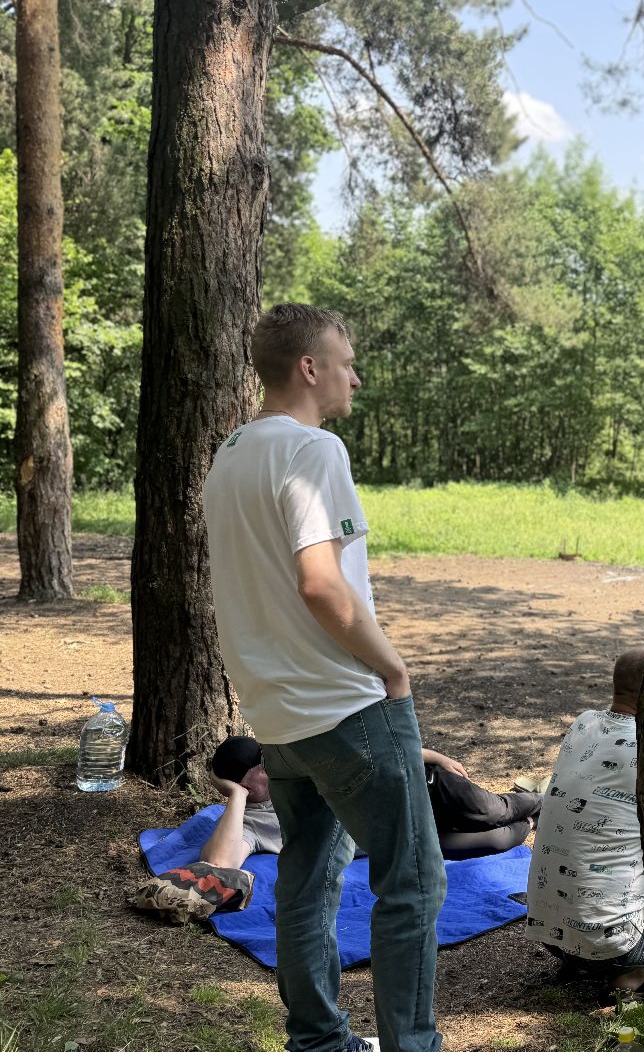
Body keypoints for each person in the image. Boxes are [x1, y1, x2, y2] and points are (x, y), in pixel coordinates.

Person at [203, 303, 443, 1052]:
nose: (355, 377)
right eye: (346, 362)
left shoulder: (231, 454)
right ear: (309, 368)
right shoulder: (314, 450)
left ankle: (317, 1040)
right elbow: (321, 586)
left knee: (307, 873)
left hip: (277, 715)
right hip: (345, 705)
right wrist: (393, 667)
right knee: (413, 881)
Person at [200, 735, 542, 870]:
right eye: (262, 770)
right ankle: (539, 818)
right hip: (401, 836)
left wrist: (435, 757)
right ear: (245, 784)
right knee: (496, 840)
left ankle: (546, 799)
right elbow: (218, 861)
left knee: (491, 812)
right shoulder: (249, 823)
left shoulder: (294, 764)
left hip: (418, 789)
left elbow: (370, 753)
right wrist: (237, 797)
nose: (273, 768)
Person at [524, 650, 644, 991]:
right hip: (615, 947)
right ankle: (633, 973)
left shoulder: (584, 722)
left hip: (550, 936)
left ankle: (584, 961)